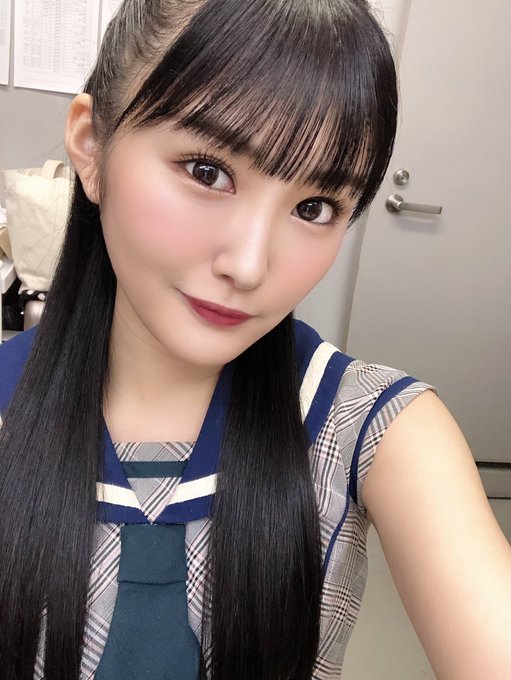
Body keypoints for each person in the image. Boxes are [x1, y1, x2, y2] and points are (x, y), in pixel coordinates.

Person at [1, 0, 510, 678]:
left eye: (313, 207)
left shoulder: (375, 430)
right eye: (207, 171)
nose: (248, 265)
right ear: (93, 146)